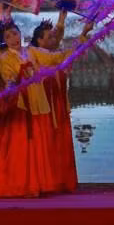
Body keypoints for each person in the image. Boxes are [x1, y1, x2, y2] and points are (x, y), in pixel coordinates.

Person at [0, 19, 92, 197]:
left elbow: (58, 57)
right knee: (21, 146)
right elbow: (9, 77)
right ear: (4, 40)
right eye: (8, 36)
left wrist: (83, 35)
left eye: (15, 33)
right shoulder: (5, 57)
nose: (13, 38)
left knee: (38, 145)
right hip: (19, 105)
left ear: (20, 34)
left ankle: (39, 183)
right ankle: (19, 185)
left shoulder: (32, 51)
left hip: (38, 102)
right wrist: (15, 81)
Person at [30, 10, 78, 193]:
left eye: (53, 37)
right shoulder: (35, 52)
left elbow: (57, 44)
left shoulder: (48, 50)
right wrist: (82, 38)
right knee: (47, 139)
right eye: (49, 37)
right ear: (40, 40)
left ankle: (60, 180)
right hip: (44, 102)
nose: (54, 39)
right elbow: (57, 57)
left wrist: (61, 19)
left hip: (56, 100)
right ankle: (46, 180)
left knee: (59, 138)